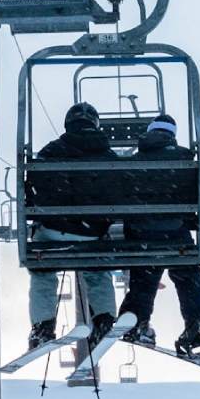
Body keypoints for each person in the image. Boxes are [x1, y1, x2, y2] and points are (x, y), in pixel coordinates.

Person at [117, 114, 200, 355]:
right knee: (186, 272)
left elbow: (120, 197)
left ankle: (135, 320)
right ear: (172, 135)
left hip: (142, 237)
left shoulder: (134, 162)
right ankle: (195, 319)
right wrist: (189, 219)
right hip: (175, 236)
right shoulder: (186, 160)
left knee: (144, 277)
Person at [25, 102, 118, 350]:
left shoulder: (51, 151)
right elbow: (121, 194)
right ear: (95, 125)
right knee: (97, 271)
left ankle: (42, 327)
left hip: (53, 233)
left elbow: (32, 190)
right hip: (92, 233)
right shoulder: (109, 156)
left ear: (68, 124)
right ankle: (105, 320)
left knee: (43, 273)